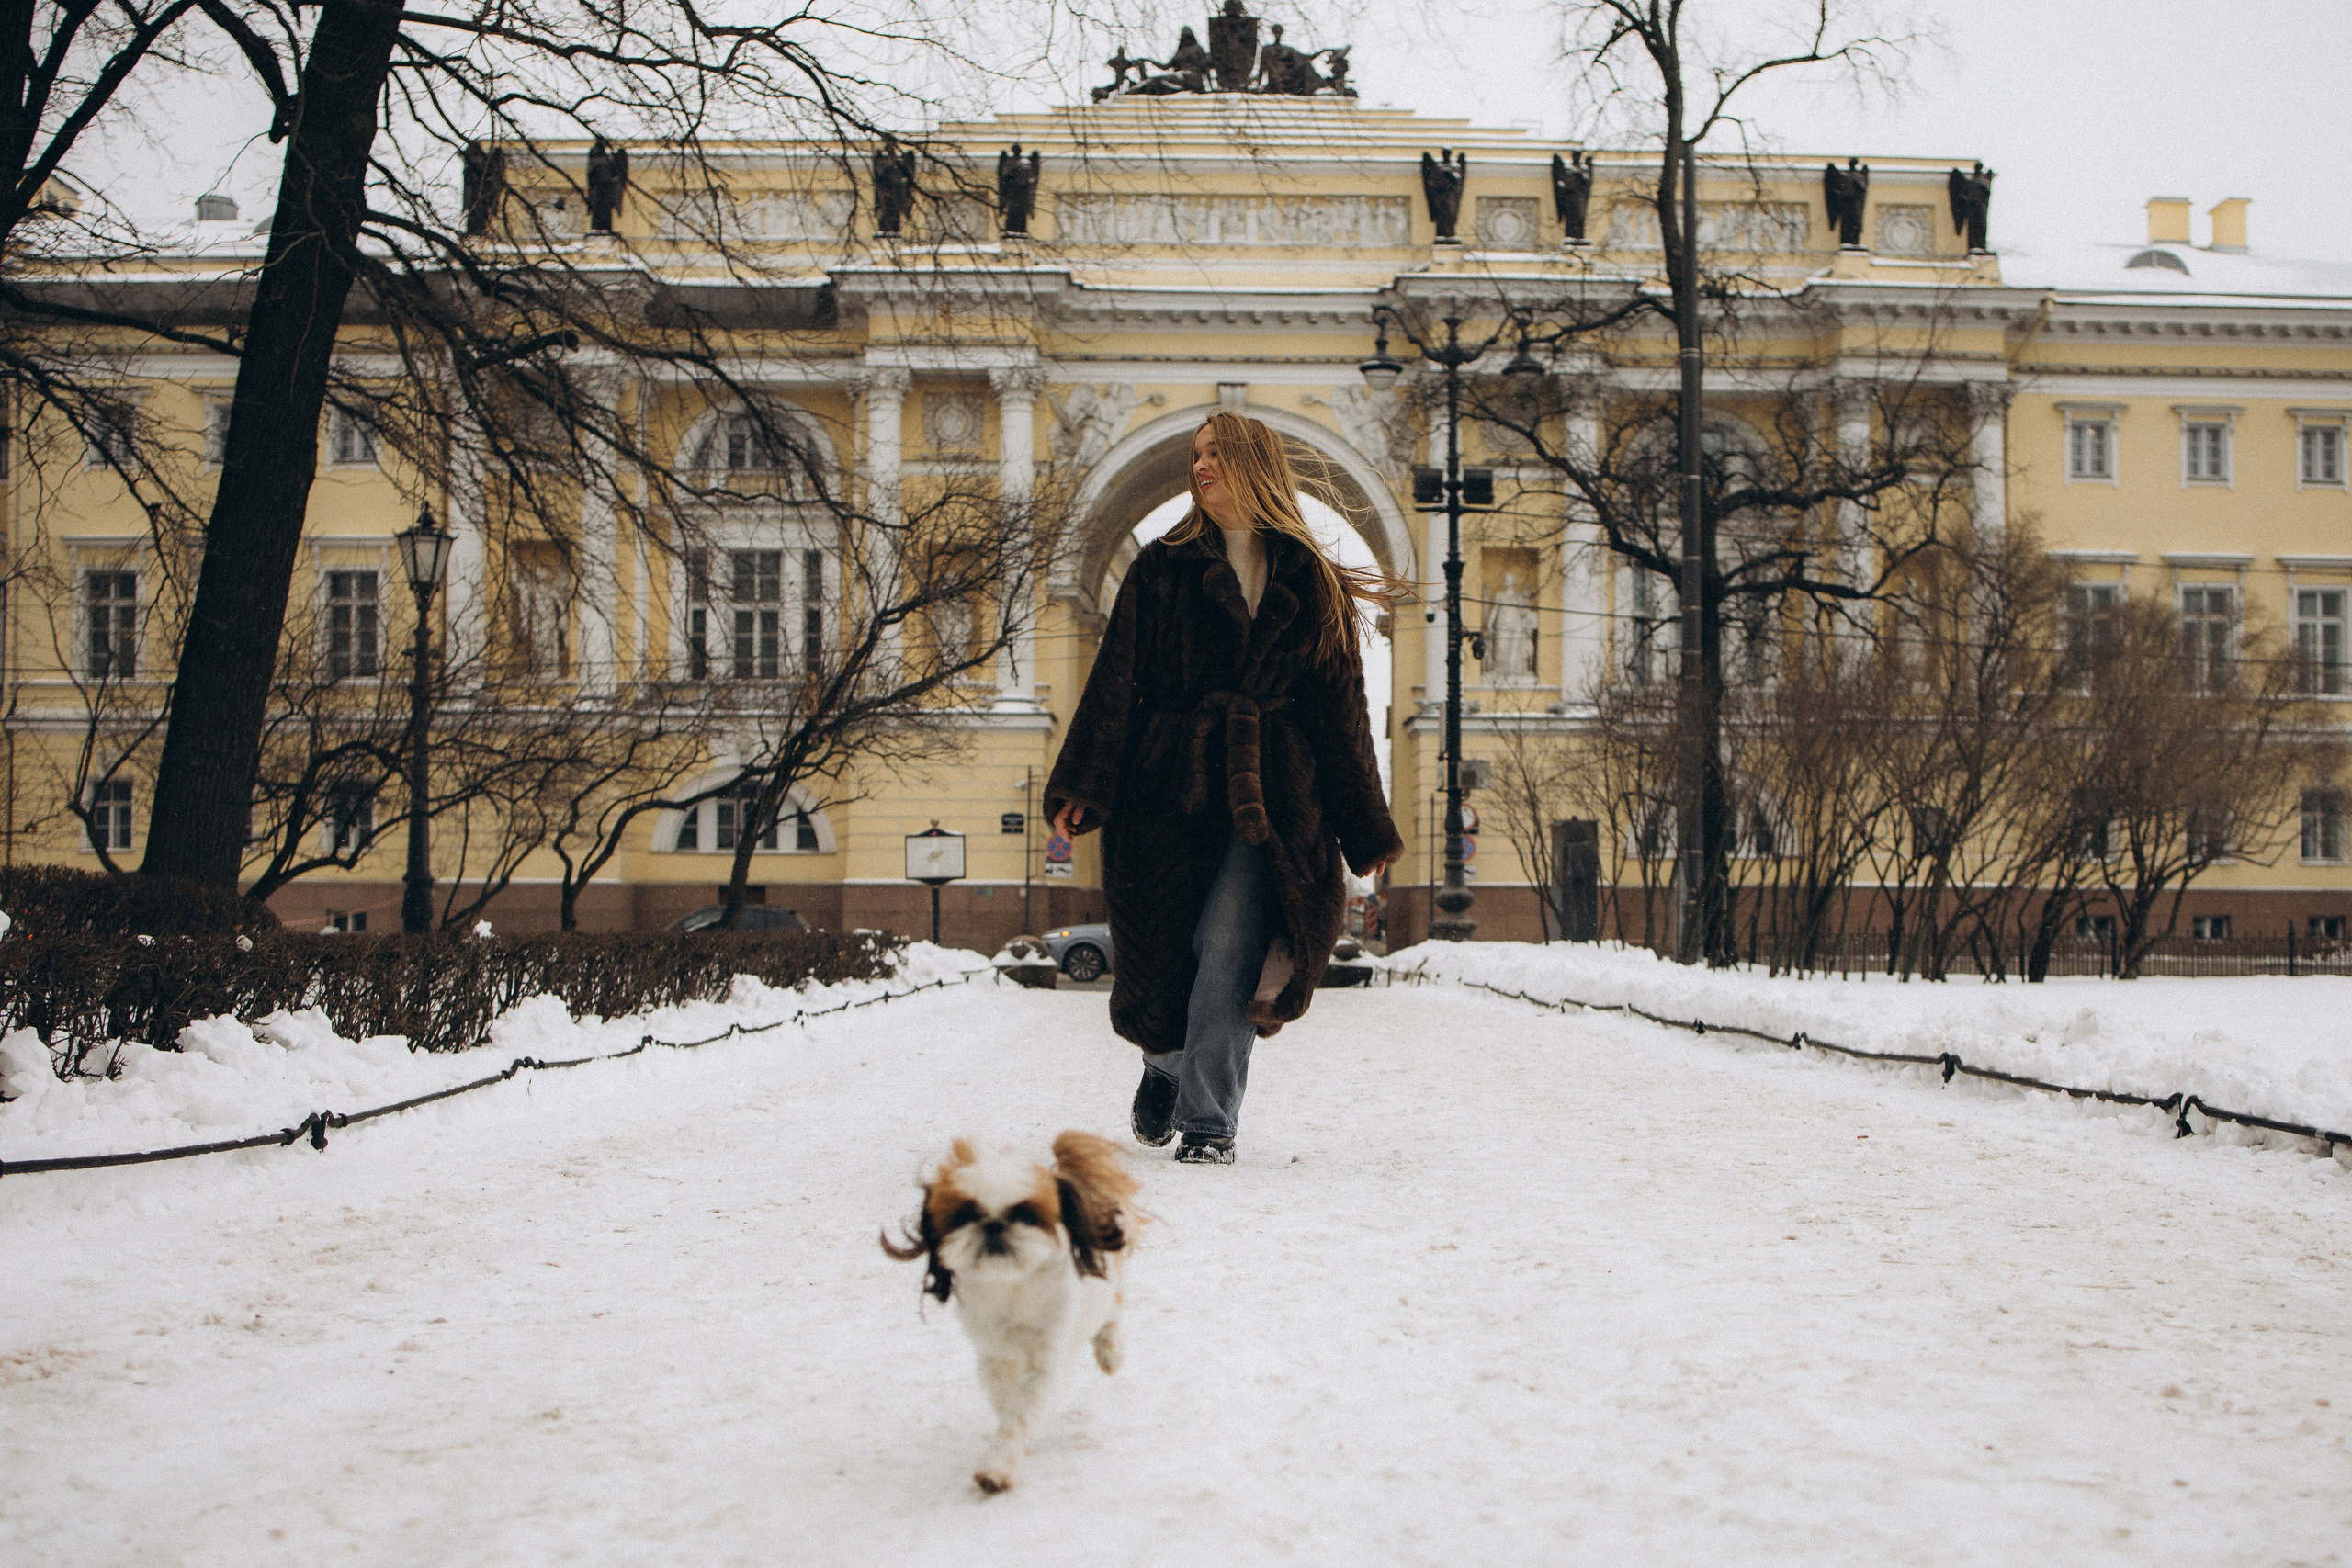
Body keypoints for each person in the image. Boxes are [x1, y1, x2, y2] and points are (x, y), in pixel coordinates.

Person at [1046, 412, 1402, 1166]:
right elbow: (1118, 683)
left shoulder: (1313, 579)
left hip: (1271, 798)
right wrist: (1085, 780)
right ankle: (1164, 1064)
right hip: (1166, 786)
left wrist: (1366, 829)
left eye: (1216, 454)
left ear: (1254, 464)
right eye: (1196, 454)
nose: (1201, 466)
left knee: (1231, 942)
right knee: (1172, 943)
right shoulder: (1160, 566)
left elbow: (1342, 714)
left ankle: (1209, 1121)